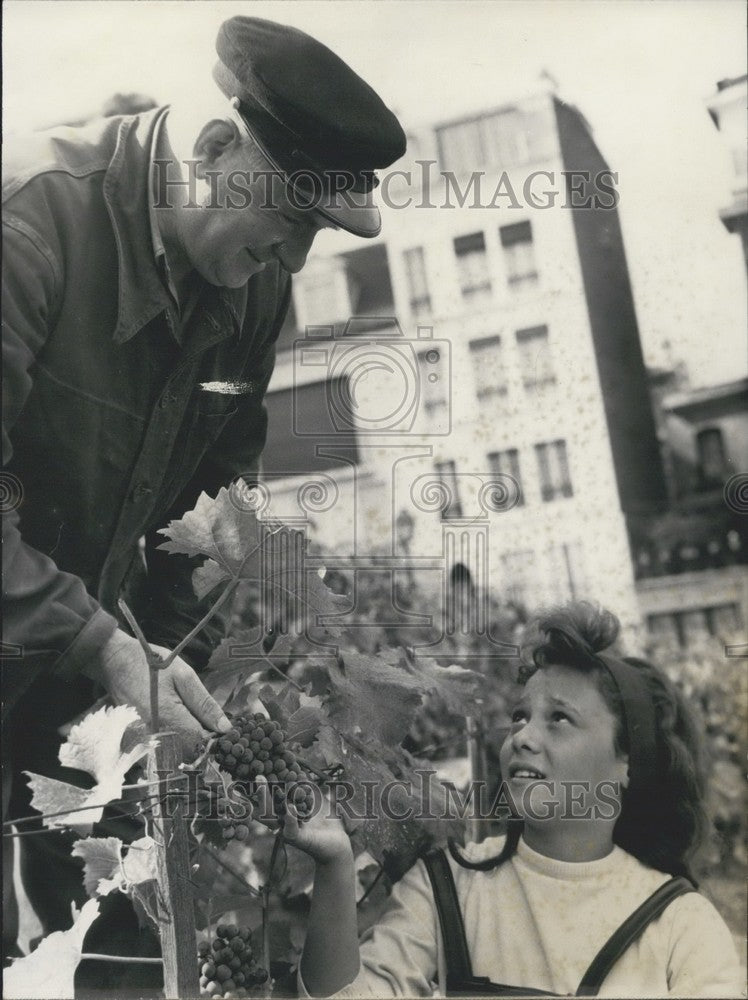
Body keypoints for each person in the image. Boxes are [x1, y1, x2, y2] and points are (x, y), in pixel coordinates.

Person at [1, 13, 405, 965]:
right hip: (64, 649)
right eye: (294, 218)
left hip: (65, 708)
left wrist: (178, 670)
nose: (299, 260)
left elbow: (217, 510)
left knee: (112, 960)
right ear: (217, 149)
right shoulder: (29, 226)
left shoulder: (251, 285)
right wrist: (103, 646)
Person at [279, 601, 744, 997]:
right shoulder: (448, 887)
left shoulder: (681, 925)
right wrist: (335, 865)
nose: (522, 736)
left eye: (559, 718)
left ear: (626, 763)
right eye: (520, 717)